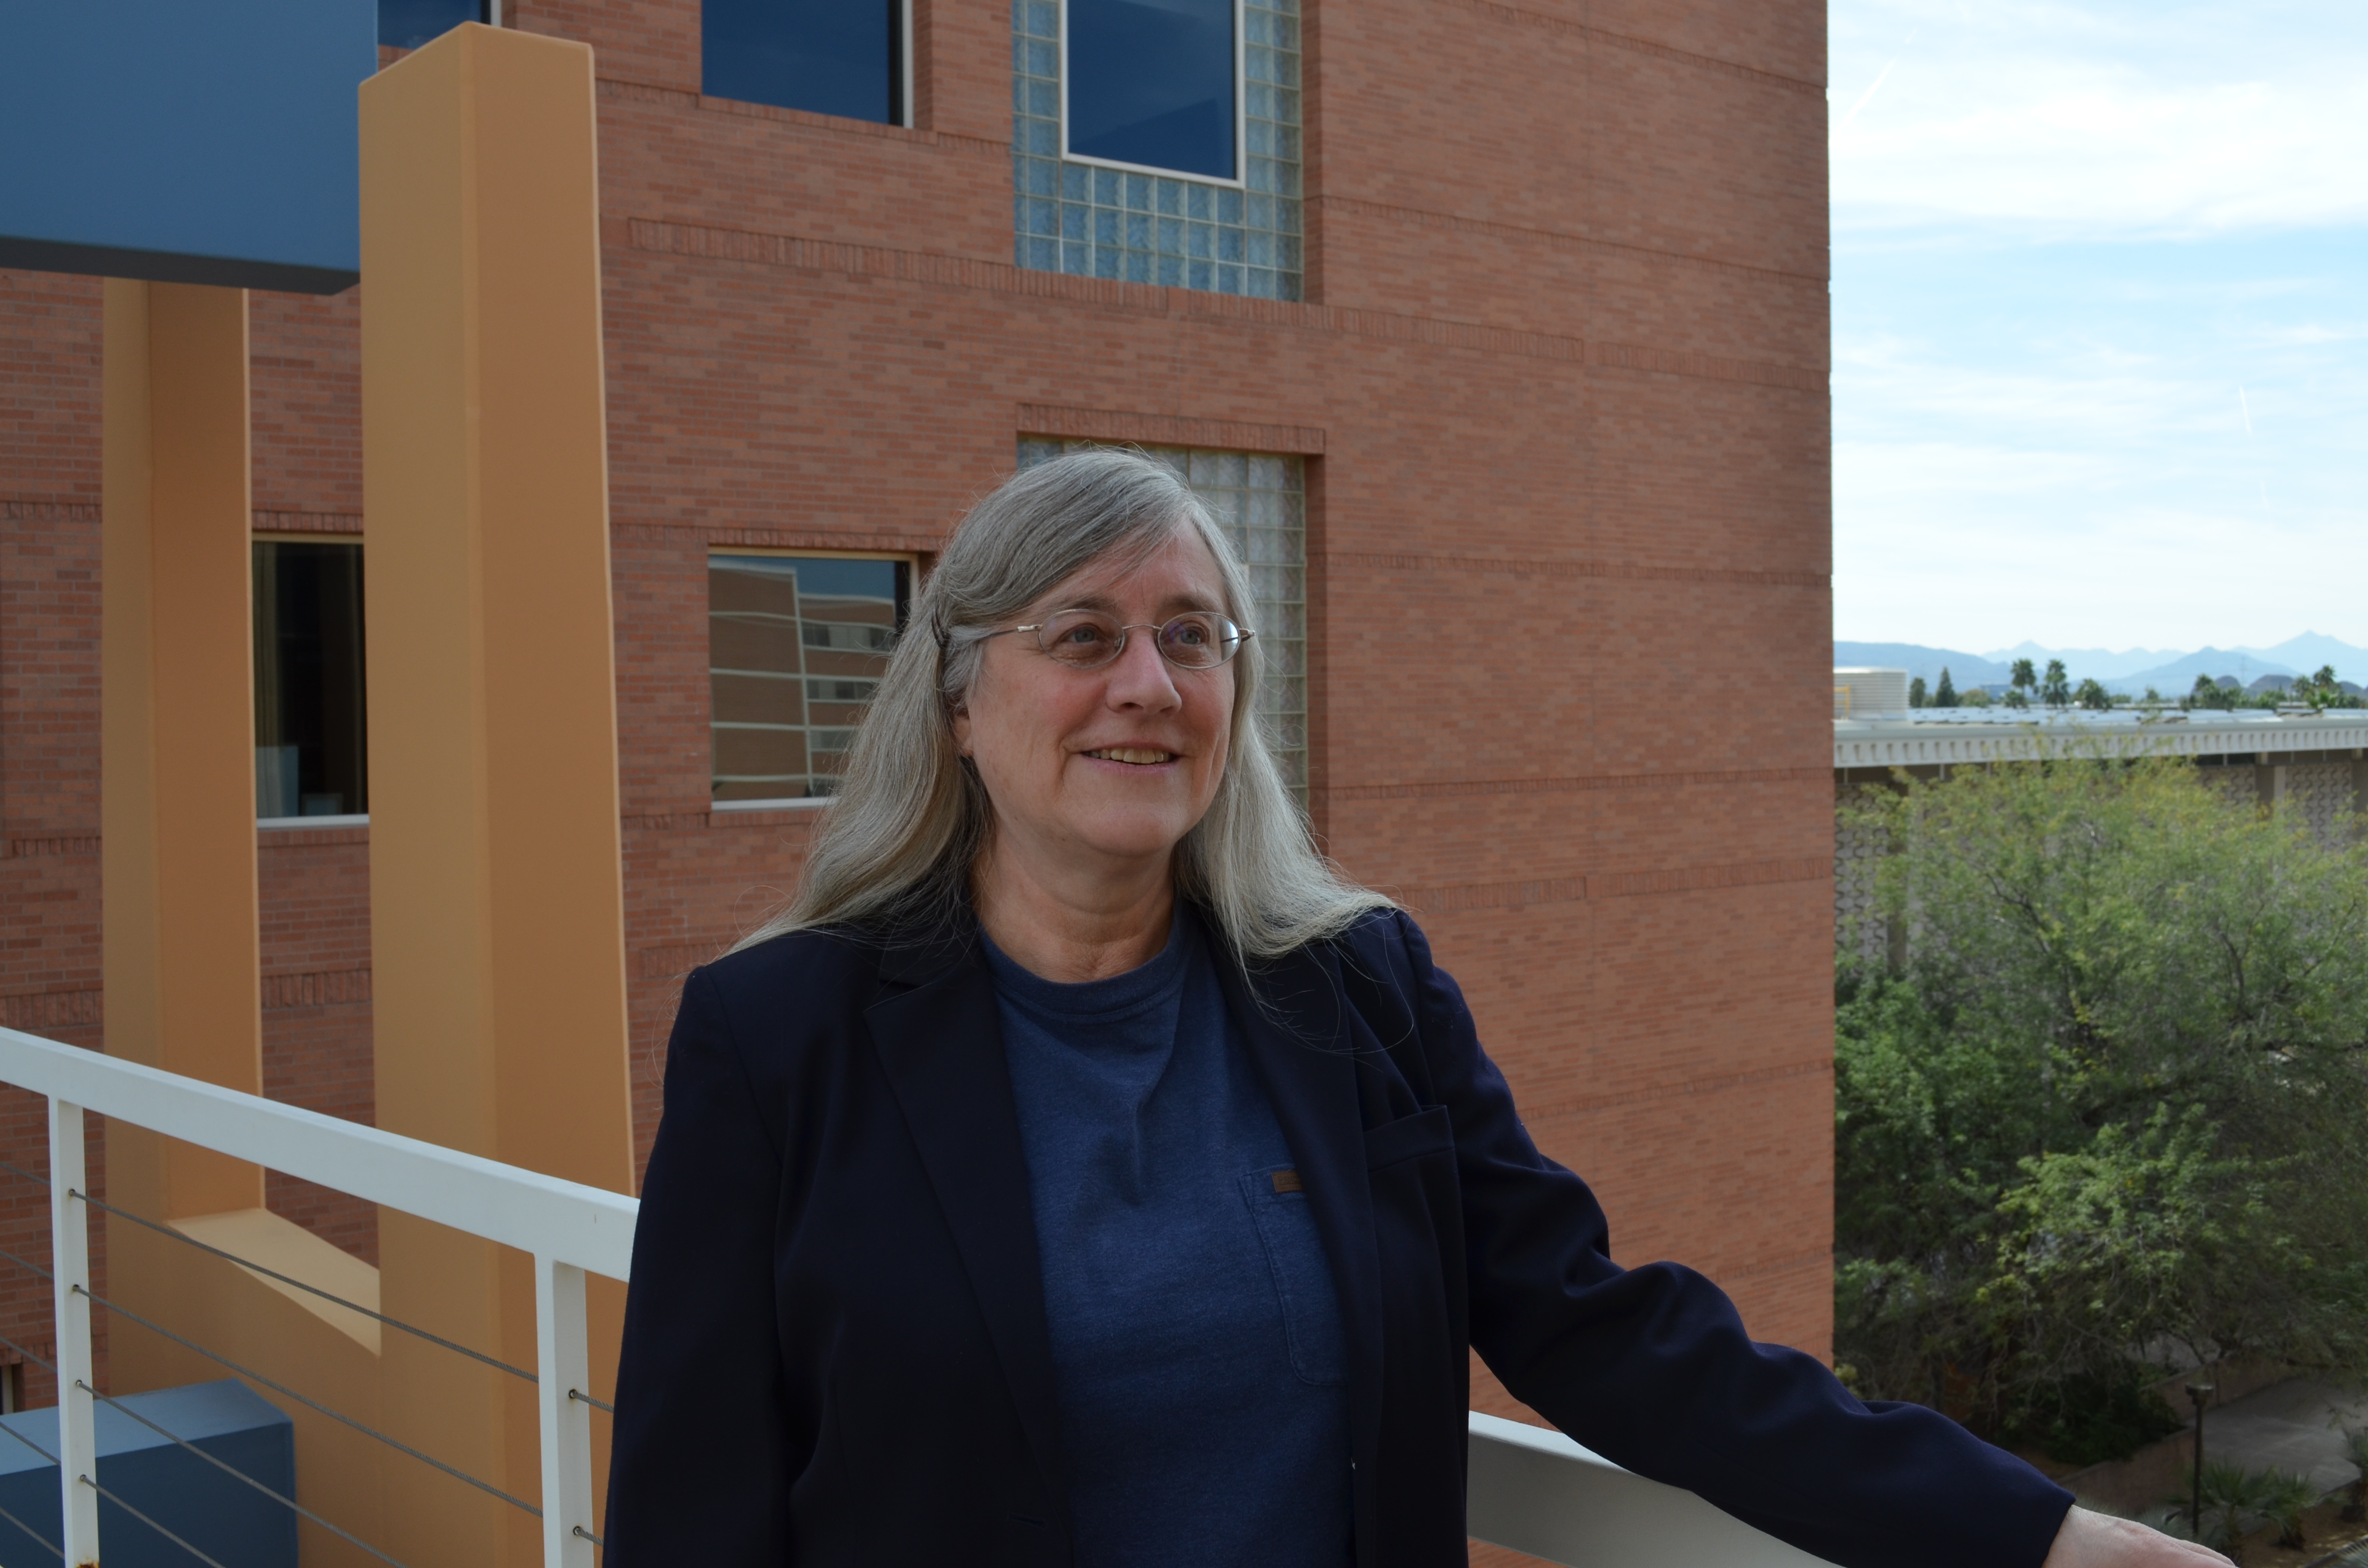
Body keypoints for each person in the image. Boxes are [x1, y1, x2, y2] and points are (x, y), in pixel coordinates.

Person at [604, 449, 2219, 1568]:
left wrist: (2024, 1528)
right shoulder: (779, 1036)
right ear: (960, 700)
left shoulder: (1353, 990)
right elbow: (693, 1507)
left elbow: (1602, 1329)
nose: (1148, 686)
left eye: (1192, 638)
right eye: (1081, 637)